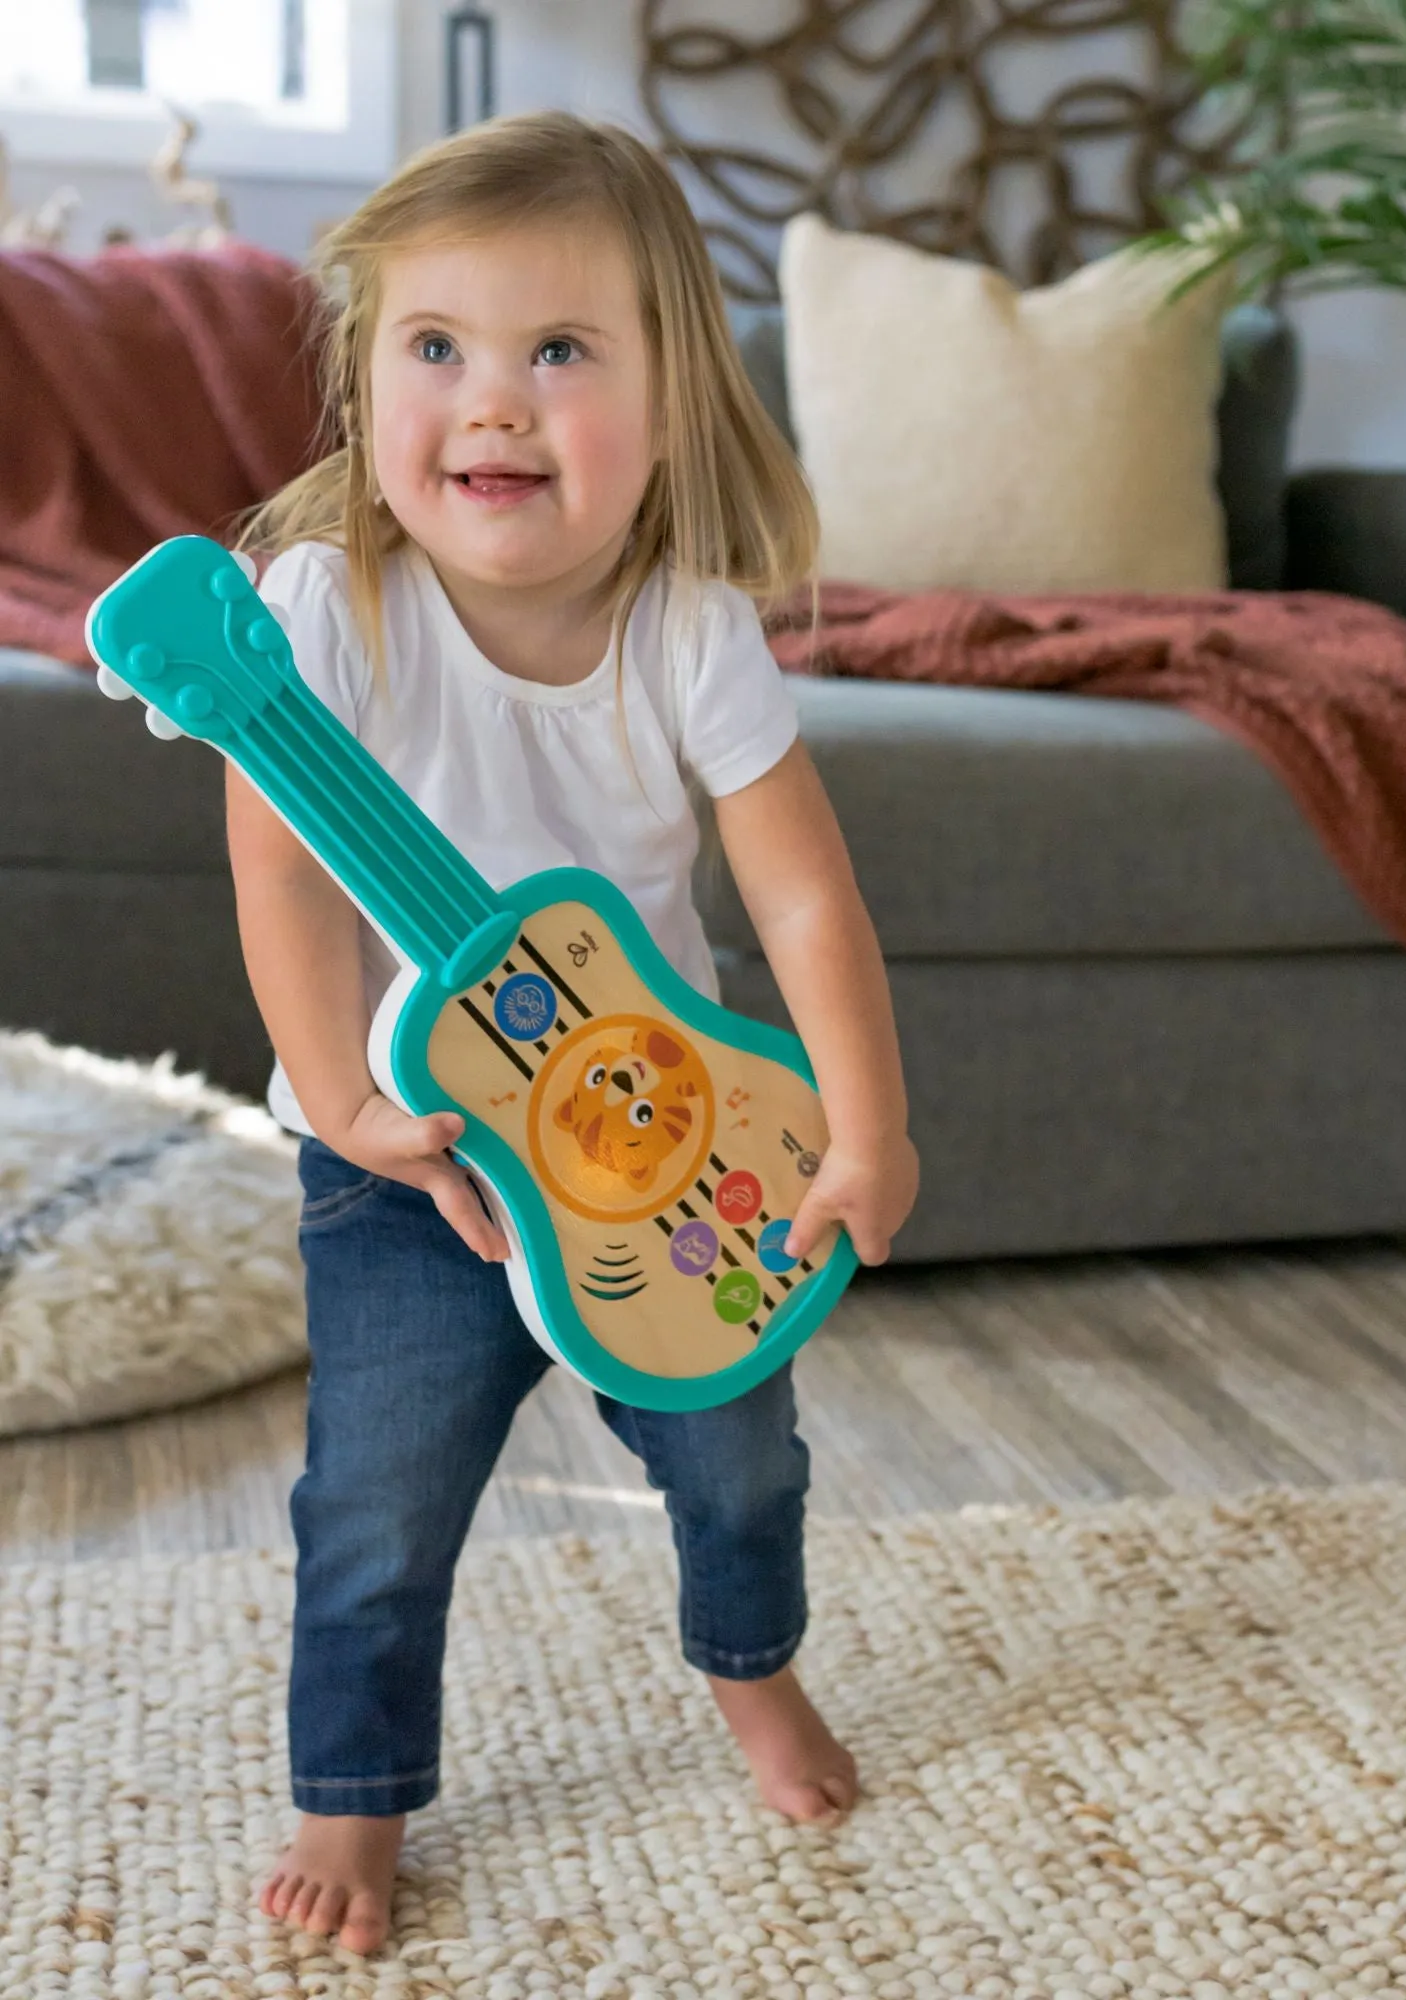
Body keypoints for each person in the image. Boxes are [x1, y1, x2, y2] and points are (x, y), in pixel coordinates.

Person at [231, 111, 919, 1957]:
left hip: (666, 1146)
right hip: (424, 1171)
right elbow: (285, 884)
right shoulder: (324, 613)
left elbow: (801, 903)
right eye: (435, 348)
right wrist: (337, 1104)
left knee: (742, 1456)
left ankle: (748, 1665)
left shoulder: (690, 631)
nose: (495, 404)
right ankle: (352, 1793)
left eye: (560, 351)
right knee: (375, 1501)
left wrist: (869, 1125)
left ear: (672, 402)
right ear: (366, 384)